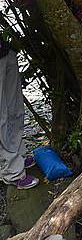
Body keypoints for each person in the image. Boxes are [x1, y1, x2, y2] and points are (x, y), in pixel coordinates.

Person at [0, 39, 38, 189]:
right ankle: (12, 171)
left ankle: (18, 157)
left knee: (15, 110)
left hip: (4, 50)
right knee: (1, 117)